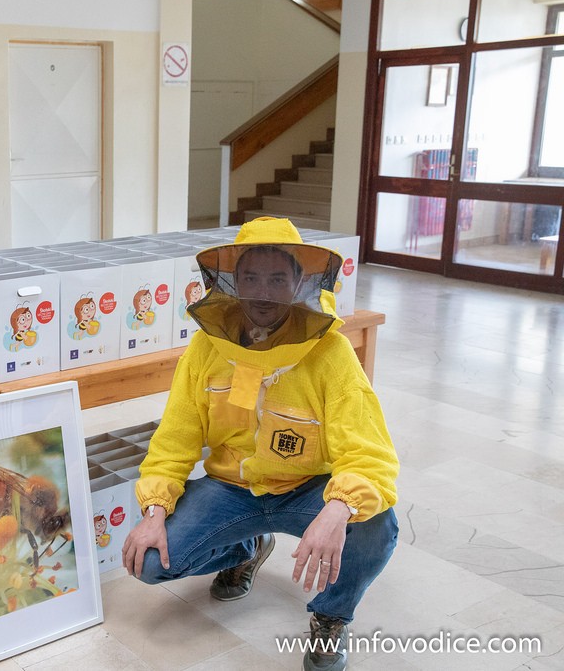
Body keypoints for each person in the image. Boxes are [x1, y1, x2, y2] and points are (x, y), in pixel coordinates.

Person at [122, 217, 398, 671]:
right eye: (251, 278)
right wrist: (154, 512)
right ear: (232, 282)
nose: (263, 292)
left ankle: (332, 616)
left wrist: (338, 510)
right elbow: (174, 440)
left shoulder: (331, 353)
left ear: (300, 284)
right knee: (150, 560)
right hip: (231, 488)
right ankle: (246, 549)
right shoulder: (206, 348)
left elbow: (369, 453)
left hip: (307, 488)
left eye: (277, 279)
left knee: (375, 526)